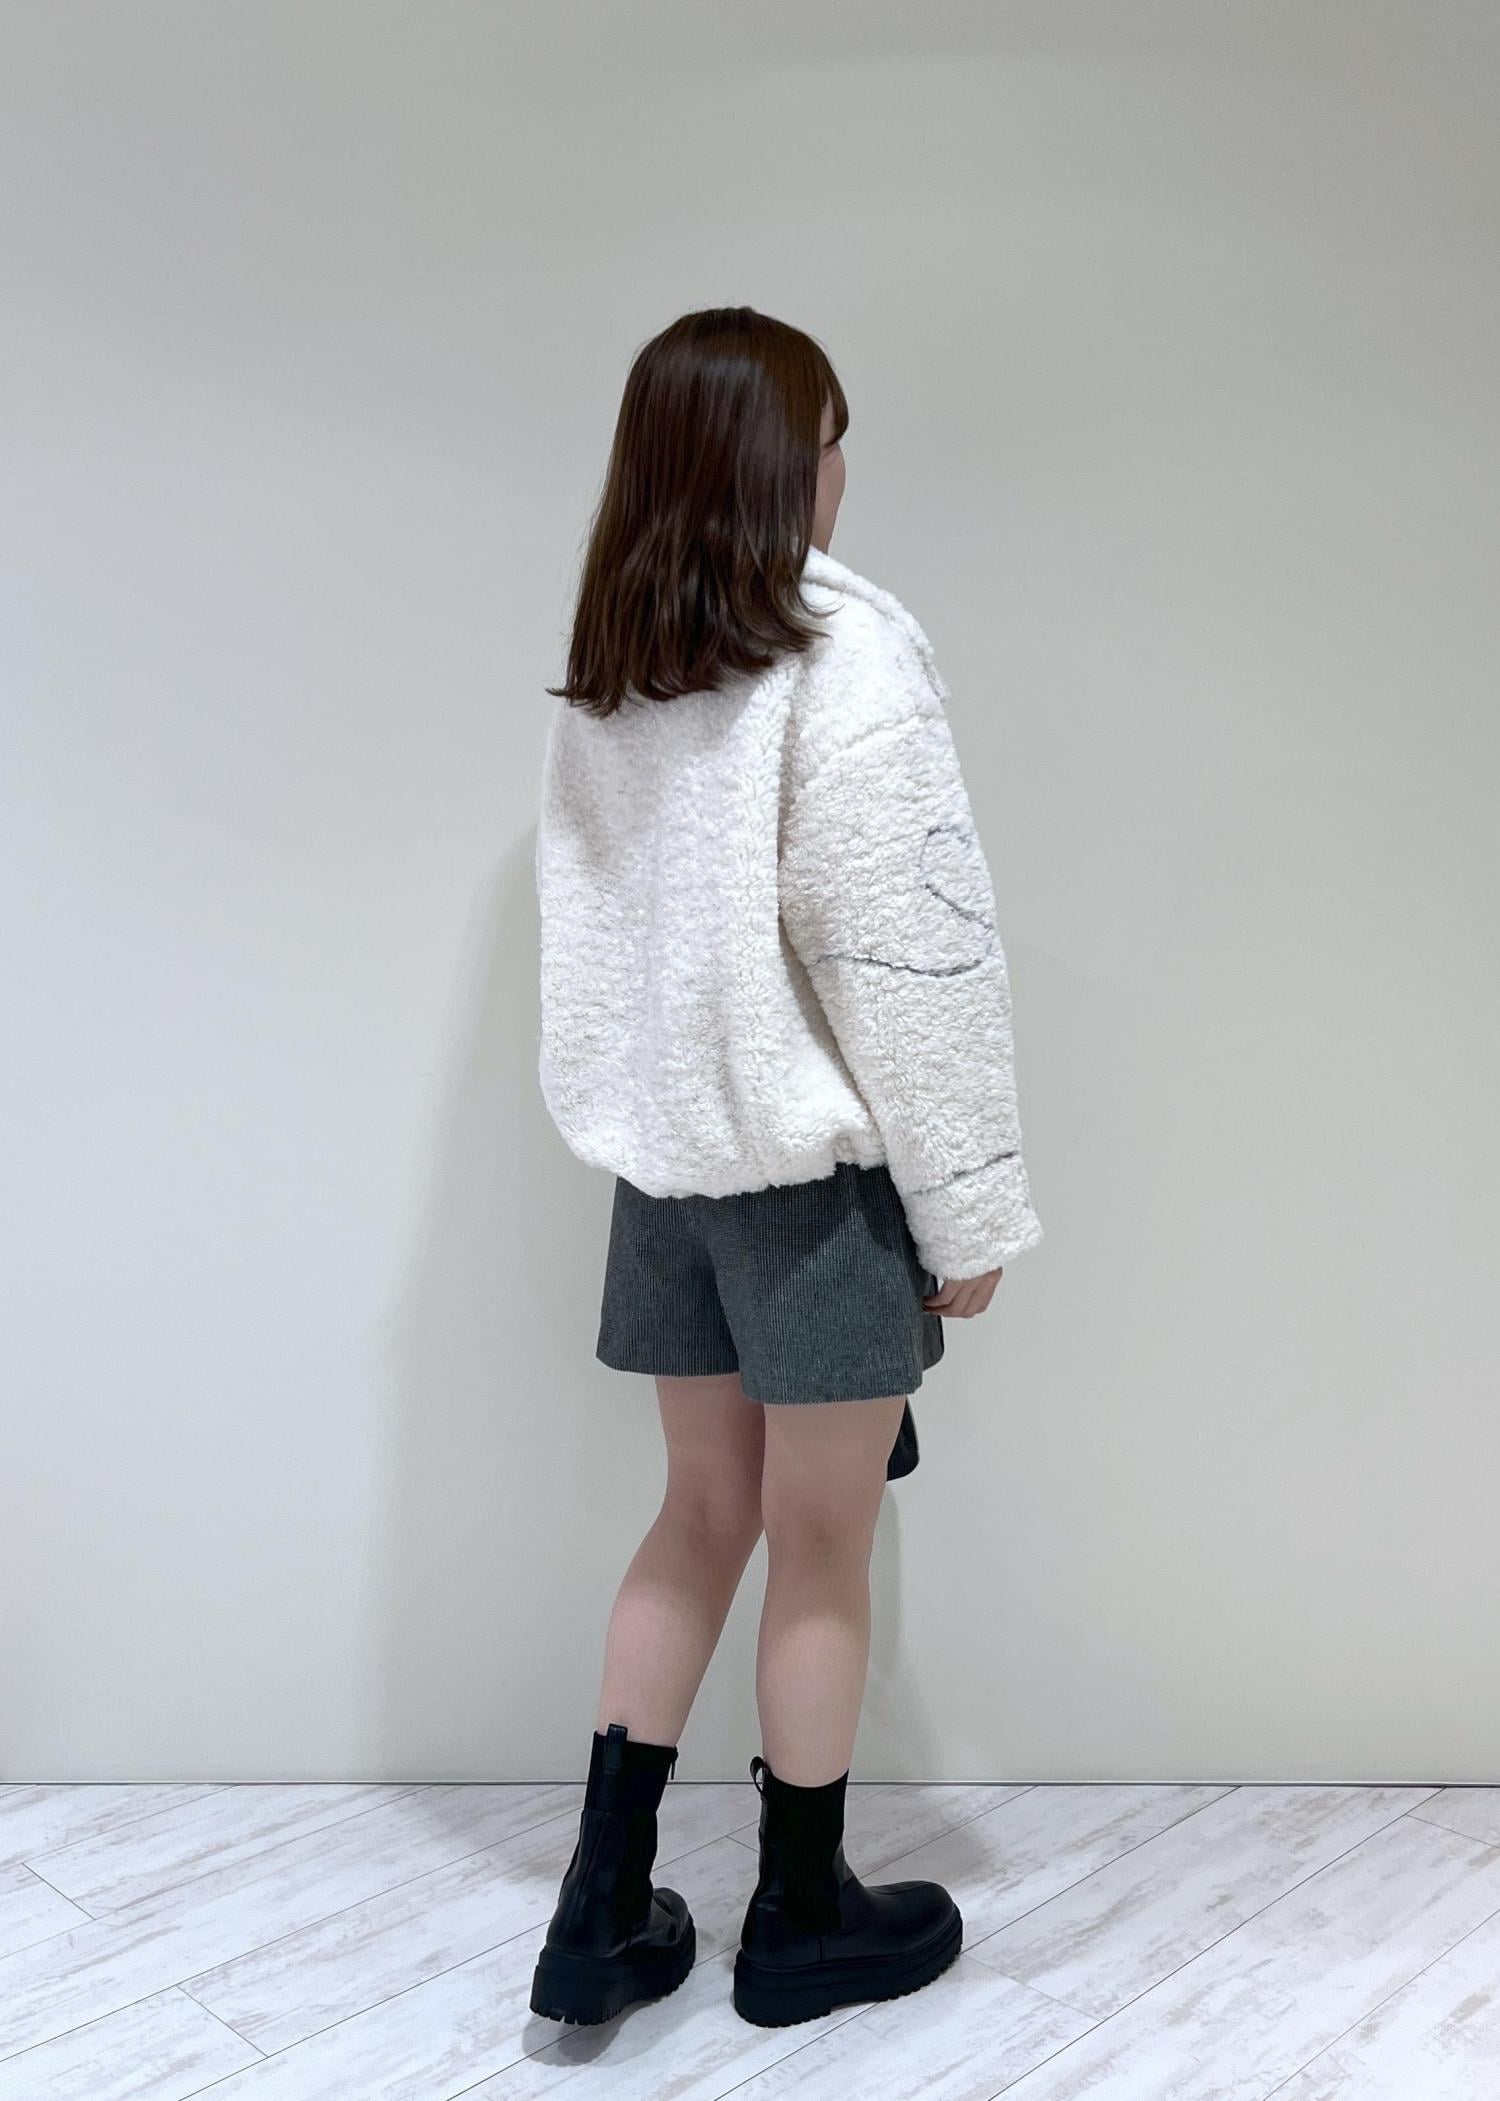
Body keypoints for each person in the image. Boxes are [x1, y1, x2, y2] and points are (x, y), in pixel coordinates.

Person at [528, 306, 1043, 2030]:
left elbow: (599, 941)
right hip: (810, 1195)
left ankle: (600, 1916)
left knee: (696, 1515)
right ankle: (803, 1919)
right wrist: (967, 1208)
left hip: (664, 1175)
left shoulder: (621, 665)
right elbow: (909, 961)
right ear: (781, 462)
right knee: (822, 1537)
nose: (842, 476)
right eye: (832, 442)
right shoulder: (845, 658)